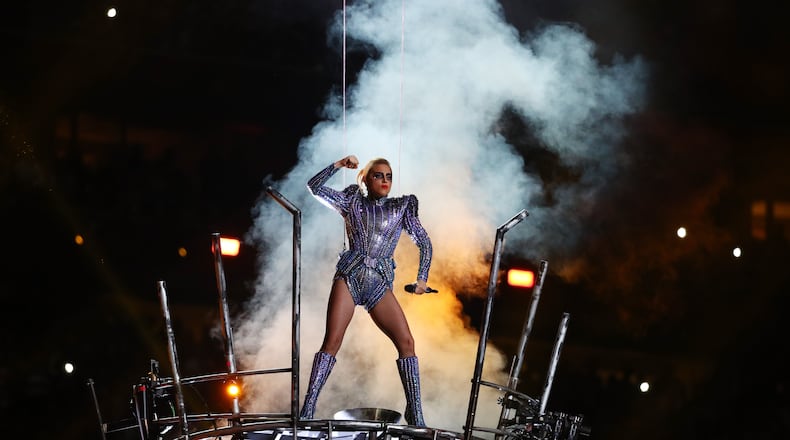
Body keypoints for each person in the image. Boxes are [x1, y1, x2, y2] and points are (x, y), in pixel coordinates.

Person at [300, 154, 433, 426]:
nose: (385, 181)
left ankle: (415, 413)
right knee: (332, 341)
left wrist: (422, 278)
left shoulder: (401, 207)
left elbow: (425, 243)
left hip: (379, 282)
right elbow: (314, 186)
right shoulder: (352, 201)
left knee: (407, 343)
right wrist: (337, 165)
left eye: (389, 176)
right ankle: (307, 408)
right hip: (350, 276)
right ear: (365, 178)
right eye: (378, 175)